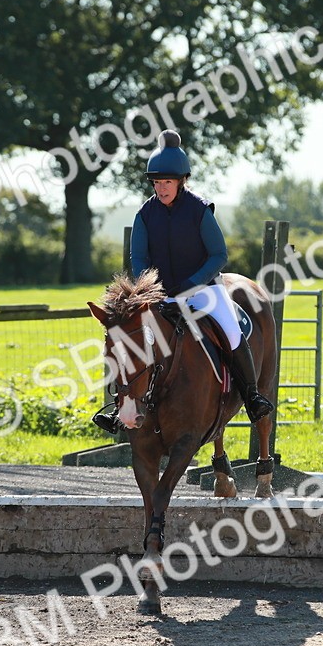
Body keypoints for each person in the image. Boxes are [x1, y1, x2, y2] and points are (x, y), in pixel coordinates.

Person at [93, 129, 275, 434]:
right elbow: (138, 257)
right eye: (157, 182)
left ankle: (252, 395)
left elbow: (219, 255)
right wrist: (148, 288)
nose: (161, 188)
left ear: (181, 181)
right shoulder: (144, 215)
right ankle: (119, 406)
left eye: (167, 182)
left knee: (231, 331)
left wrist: (191, 282)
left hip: (203, 291)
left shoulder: (200, 211)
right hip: (161, 296)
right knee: (128, 337)